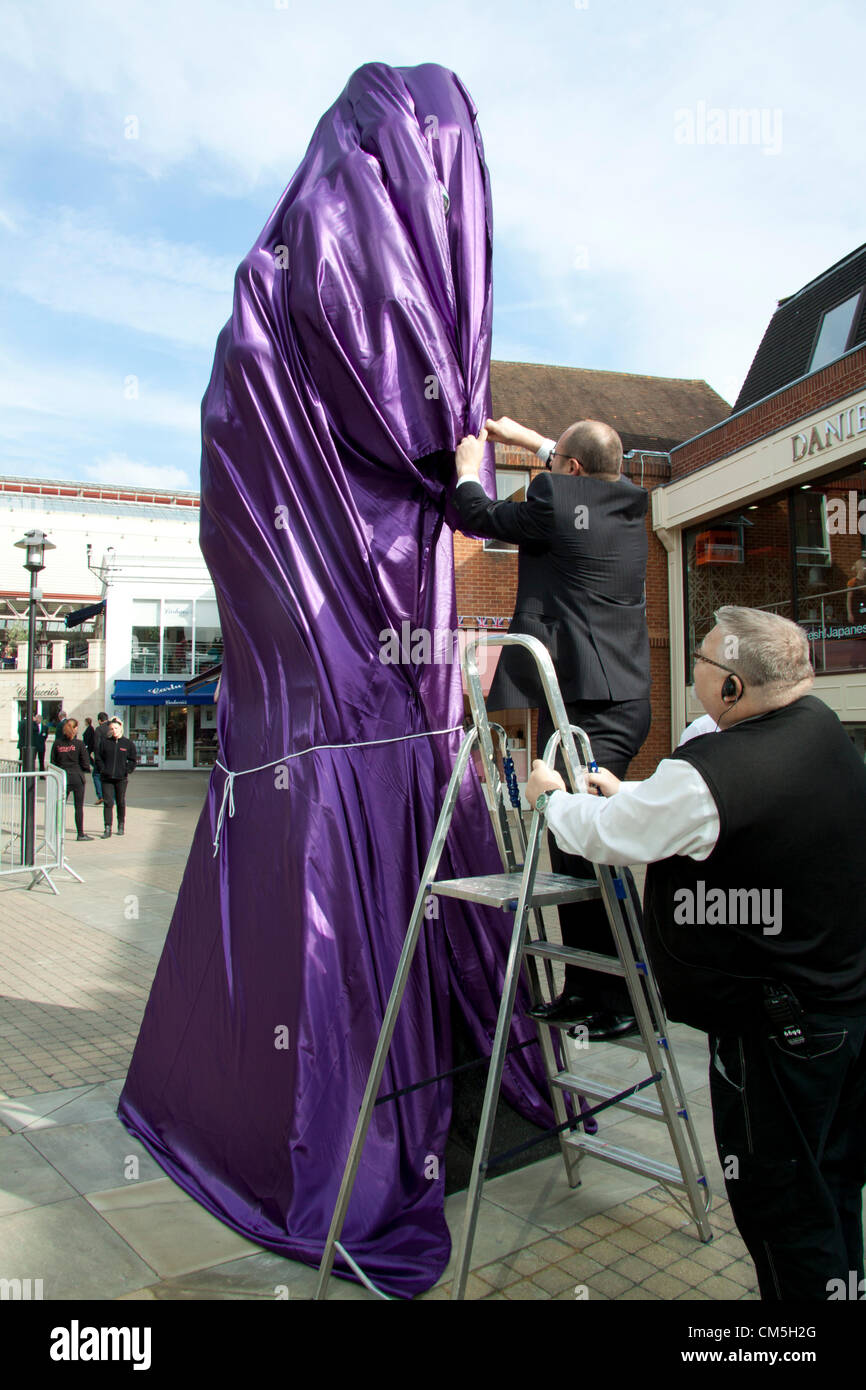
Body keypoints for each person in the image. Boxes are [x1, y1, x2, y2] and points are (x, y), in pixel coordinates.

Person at [525, 605, 866, 1302]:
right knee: (830, 1188)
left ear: (732, 688)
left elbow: (616, 837)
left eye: (704, 663)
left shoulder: (716, 767)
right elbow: (698, 812)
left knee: (783, 1210)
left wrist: (551, 802)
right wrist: (640, 794)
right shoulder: (822, 730)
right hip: (841, 1017)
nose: (696, 673)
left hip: (778, 1037)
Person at [454, 417, 651, 1038]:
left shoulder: (555, 498)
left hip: (599, 709)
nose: (544, 469)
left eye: (551, 460)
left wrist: (467, 467)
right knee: (572, 846)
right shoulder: (625, 498)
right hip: (605, 701)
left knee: (591, 842)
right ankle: (586, 985)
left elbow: (481, 517)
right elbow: (584, 464)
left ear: (566, 472)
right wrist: (529, 438)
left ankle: (626, 996)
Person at [50, 718, 93, 841]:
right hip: (77, 777)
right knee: (78, 807)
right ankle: (80, 834)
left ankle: (57, 833)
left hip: (62, 777)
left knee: (60, 805)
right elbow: (86, 763)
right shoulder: (79, 744)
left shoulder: (57, 743)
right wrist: (85, 769)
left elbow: (53, 762)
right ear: (75, 729)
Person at [94, 716, 137, 837]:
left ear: (121, 728)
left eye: (116, 728)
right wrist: (102, 769)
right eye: (112, 728)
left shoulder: (127, 743)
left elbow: (133, 760)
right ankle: (107, 828)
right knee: (108, 802)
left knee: (120, 802)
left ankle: (121, 825)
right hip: (106, 778)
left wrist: (127, 770)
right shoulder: (105, 742)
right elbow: (98, 757)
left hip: (121, 778)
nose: (114, 730)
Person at [89, 711, 110, 804]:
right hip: (111, 757)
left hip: (101, 757)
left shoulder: (98, 729)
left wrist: (96, 758)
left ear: (99, 720)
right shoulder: (112, 728)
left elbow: (96, 745)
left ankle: (101, 795)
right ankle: (110, 797)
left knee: (96, 775)